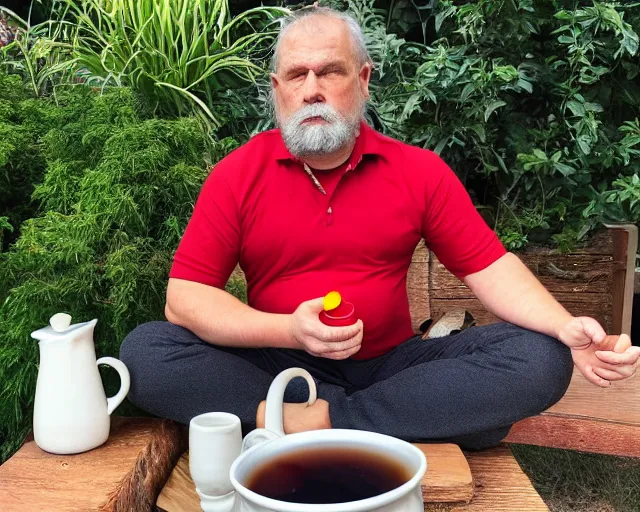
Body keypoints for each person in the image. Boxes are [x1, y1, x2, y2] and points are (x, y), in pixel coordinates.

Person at [120, 7, 639, 450]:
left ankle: (313, 422)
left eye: (330, 72)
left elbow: (491, 268)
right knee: (146, 352)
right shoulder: (237, 174)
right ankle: (407, 419)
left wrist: (563, 325)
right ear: (278, 90)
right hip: (276, 363)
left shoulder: (417, 171)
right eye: (297, 76)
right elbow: (184, 299)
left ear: (363, 80)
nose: (313, 91)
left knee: (540, 358)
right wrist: (287, 330)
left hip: (393, 366)